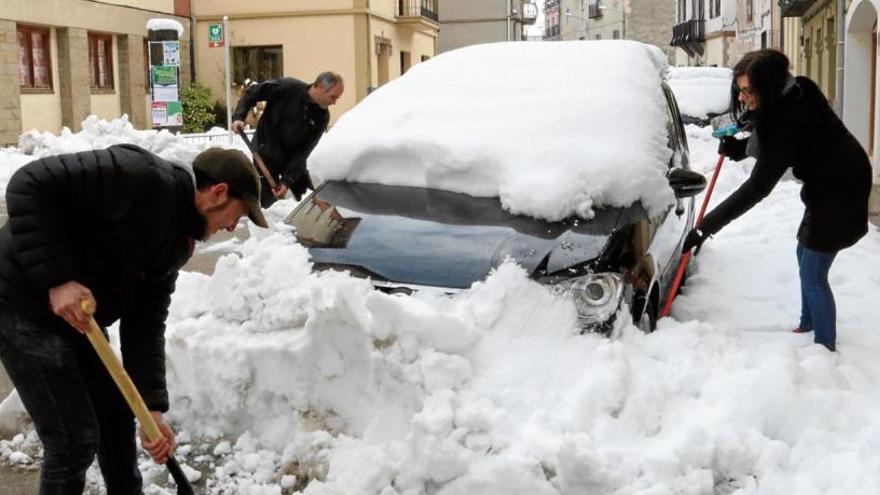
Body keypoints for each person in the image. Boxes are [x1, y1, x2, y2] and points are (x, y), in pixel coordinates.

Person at [0, 145, 268, 493]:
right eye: (239, 214)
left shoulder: (178, 242)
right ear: (218, 193)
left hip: (77, 318)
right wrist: (58, 279)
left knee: (116, 419)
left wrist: (151, 409)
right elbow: (29, 183)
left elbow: (145, 325)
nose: (232, 227)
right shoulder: (139, 176)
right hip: (23, 302)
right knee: (73, 440)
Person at [682, 49, 872, 352]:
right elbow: (783, 137)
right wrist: (740, 149)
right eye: (739, 90)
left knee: (814, 273)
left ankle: (825, 348)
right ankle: (808, 324)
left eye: (748, 90)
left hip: (841, 189)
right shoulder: (798, 89)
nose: (742, 98)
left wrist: (706, 226)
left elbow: (757, 187)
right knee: (803, 255)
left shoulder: (785, 119)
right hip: (830, 181)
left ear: (767, 86)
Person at [231, 71, 345, 206]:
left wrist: (287, 181)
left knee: (307, 198)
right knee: (269, 203)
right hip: (265, 153)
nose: (334, 102)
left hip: (292, 160)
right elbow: (251, 93)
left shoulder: (322, 116)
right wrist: (239, 117)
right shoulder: (286, 88)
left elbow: (303, 152)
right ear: (320, 87)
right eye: (333, 97)